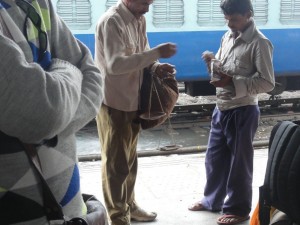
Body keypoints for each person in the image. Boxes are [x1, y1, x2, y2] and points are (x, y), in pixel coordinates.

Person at [0, 0, 105, 224]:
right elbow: (40, 114)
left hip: (68, 208)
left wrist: (53, 122)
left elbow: (94, 78)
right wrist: (68, 70)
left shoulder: (39, 2)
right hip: (17, 213)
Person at [188, 0, 275, 224]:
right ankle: (212, 201)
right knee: (214, 159)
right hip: (222, 108)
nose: (230, 24)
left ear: (248, 14)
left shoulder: (260, 43)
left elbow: (267, 83)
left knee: (239, 163)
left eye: (234, 19)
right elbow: (225, 70)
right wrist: (213, 63)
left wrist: (231, 81)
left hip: (243, 110)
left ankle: (238, 209)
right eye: (227, 19)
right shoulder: (227, 36)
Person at [94, 0, 177, 224]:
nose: (147, 8)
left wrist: (156, 65)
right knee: (115, 163)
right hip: (114, 101)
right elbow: (115, 65)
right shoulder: (112, 21)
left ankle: (129, 206)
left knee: (129, 160)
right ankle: (118, 216)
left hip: (133, 99)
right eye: (143, 3)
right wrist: (157, 52)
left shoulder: (138, 19)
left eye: (150, 3)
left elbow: (143, 54)